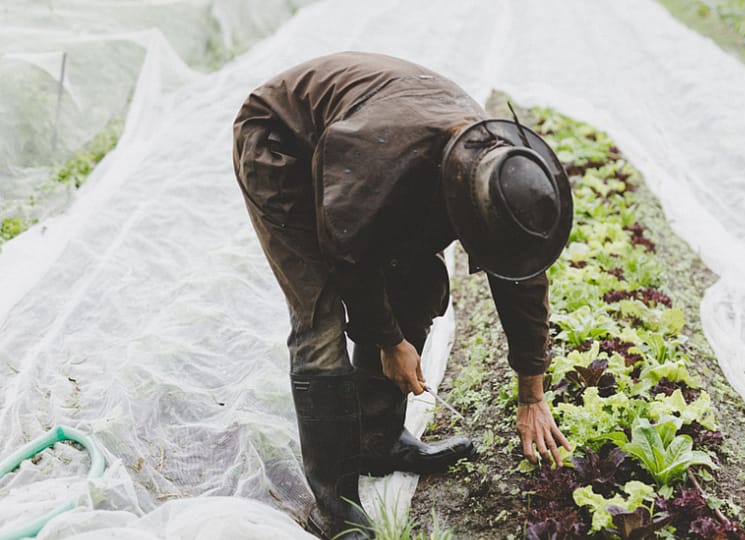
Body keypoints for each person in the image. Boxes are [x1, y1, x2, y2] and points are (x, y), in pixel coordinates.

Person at [232, 51, 573, 539]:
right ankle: (334, 504)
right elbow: (348, 249)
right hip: (282, 143)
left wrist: (532, 393)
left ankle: (379, 440)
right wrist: (388, 341)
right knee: (319, 316)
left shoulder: (499, 173)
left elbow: (521, 276)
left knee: (419, 283)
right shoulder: (383, 162)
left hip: (362, 154)